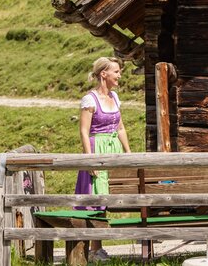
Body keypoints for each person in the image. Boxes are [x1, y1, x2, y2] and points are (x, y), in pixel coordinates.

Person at [75, 56, 132, 262]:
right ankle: (94, 249)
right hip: (97, 148)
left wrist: (128, 153)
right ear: (103, 74)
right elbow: (83, 131)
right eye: (116, 71)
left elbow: (121, 127)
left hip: (113, 148)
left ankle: (96, 248)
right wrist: (89, 159)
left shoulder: (115, 97)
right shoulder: (90, 99)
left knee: (108, 198)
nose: (119, 75)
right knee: (96, 199)